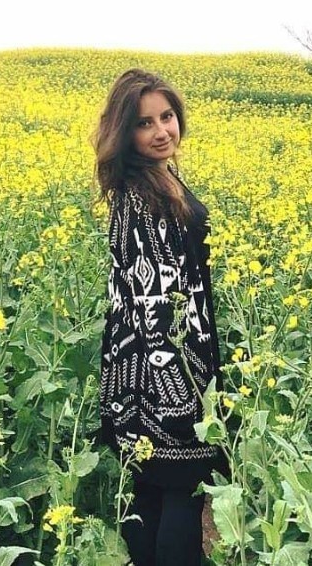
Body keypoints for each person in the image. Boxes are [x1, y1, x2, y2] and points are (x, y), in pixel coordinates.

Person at [94, 69, 226, 566]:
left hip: (152, 364)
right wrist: (182, 389)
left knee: (150, 487)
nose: (161, 131)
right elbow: (155, 301)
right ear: (124, 132)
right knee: (182, 489)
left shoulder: (157, 181)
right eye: (144, 123)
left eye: (166, 117)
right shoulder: (143, 198)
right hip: (164, 368)